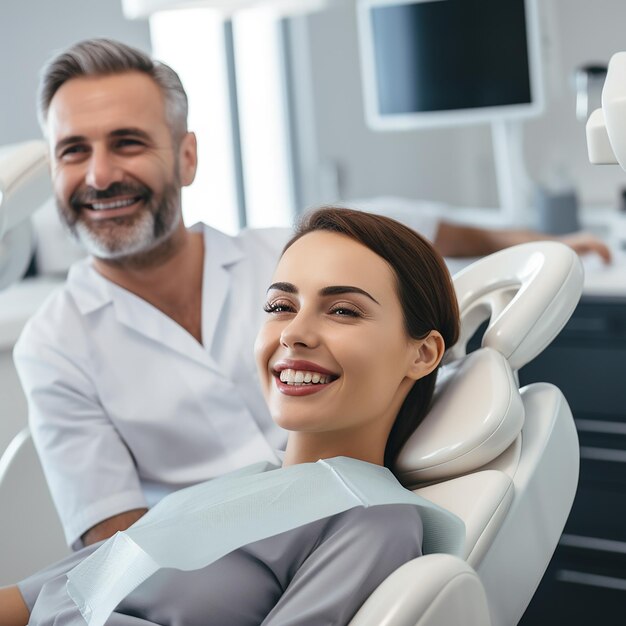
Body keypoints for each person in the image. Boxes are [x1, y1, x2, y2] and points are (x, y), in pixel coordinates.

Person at [14, 38, 611, 551]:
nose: (98, 176)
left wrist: (527, 237)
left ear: (187, 156)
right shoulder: (52, 344)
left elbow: (406, 224)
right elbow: (116, 550)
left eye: (127, 143)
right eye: (74, 150)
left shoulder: (291, 257)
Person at [1, 206, 461, 626]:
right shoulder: (226, 491)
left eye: (342, 310)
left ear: (422, 354)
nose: (295, 333)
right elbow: (36, 598)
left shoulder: (374, 521)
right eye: (281, 307)